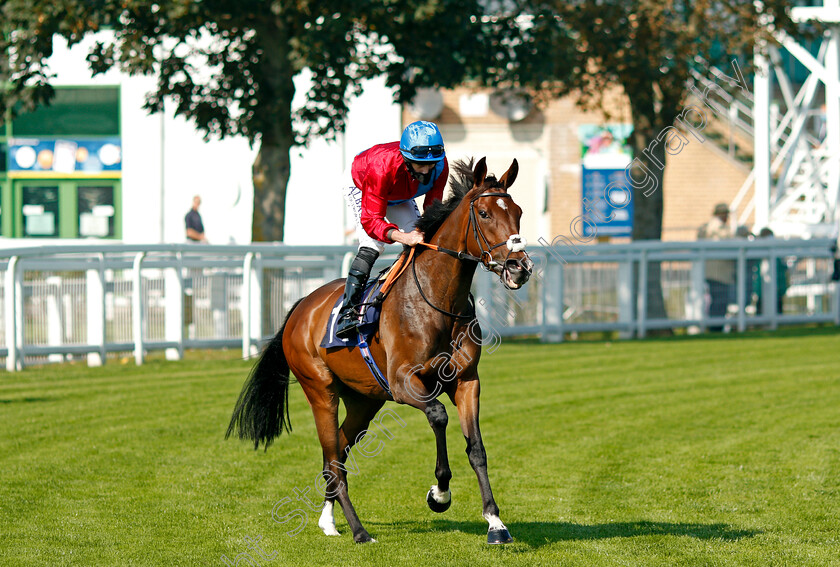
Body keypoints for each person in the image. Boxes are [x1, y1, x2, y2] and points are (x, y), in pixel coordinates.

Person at [335, 120, 449, 339]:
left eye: (431, 164)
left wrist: (422, 232)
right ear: (407, 159)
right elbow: (371, 220)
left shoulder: (441, 165)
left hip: (399, 193)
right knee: (372, 244)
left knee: (424, 237)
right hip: (363, 184)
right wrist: (403, 237)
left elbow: (432, 208)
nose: (426, 170)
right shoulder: (381, 168)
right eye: (419, 164)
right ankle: (348, 313)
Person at [697, 203, 735, 331]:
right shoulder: (720, 229)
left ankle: (714, 326)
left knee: (715, 300)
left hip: (710, 272)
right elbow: (729, 244)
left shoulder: (705, 228)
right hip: (720, 273)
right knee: (719, 301)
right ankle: (715, 327)